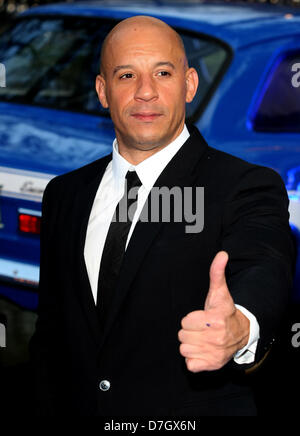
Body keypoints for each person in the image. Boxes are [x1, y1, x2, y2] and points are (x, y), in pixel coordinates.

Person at [30, 15, 295, 416]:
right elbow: (51, 336)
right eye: (126, 76)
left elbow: (263, 264)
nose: (146, 92)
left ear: (189, 84)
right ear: (103, 91)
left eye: (163, 73)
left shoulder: (244, 186)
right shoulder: (65, 194)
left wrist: (240, 326)